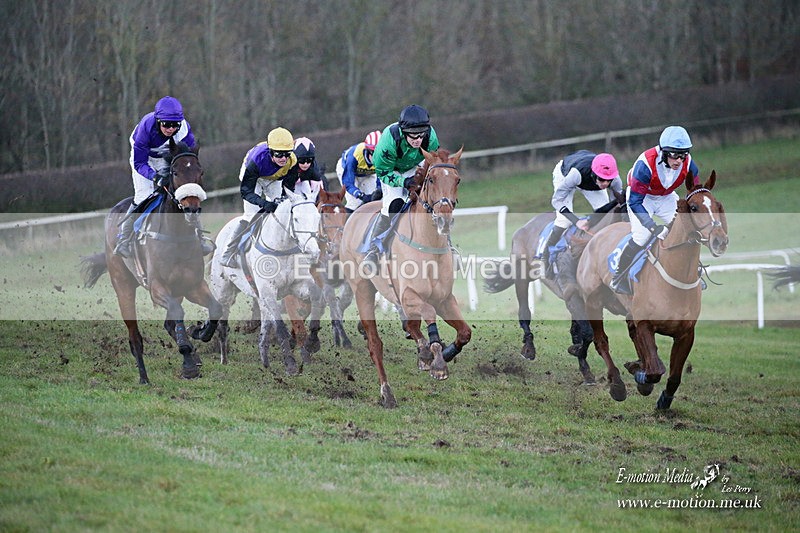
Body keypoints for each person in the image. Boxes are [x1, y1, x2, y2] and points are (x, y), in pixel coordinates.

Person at [610, 125, 700, 294]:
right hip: (642, 198)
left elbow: (695, 192)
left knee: (689, 228)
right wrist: (652, 226)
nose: (679, 160)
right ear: (663, 152)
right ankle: (618, 277)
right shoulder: (645, 164)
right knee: (641, 236)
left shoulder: (689, 164)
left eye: (683, 154)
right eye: (674, 154)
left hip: (666, 197)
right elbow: (635, 202)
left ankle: (694, 272)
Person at [114, 96, 197, 257]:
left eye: (175, 124)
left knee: (185, 193)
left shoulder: (184, 130)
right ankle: (124, 239)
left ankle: (198, 236)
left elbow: (189, 157)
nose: (171, 129)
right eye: (166, 124)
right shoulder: (146, 128)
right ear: (158, 121)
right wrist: (154, 176)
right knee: (144, 195)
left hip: (168, 157)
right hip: (145, 159)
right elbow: (139, 163)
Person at [363, 104, 440, 268]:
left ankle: (448, 244)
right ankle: (373, 250)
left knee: (435, 200)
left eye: (421, 134)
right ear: (404, 132)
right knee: (393, 204)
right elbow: (383, 172)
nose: (418, 139)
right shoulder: (388, 141)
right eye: (413, 135)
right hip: (392, 171)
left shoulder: (431, 137)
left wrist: (423, 177)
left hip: (416, 166)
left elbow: (434, 162)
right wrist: (403, 182)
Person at [219, 127, 297, 268]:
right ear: (270, 151)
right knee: (251, 215)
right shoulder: (256, 161)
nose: (284, 158)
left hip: (274, 179)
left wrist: (282, 199)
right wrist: (263, 203)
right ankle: (228, 252)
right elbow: (246, 192)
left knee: (282, 212)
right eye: (279, 154)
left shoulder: (292, 161)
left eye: (287, 154)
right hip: (253, 177)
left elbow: (289, 186)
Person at [539, 150, 624, 277]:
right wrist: (576, 221)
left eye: (609, 180)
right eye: (602, 179)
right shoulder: (575, 175)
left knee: (604, 218)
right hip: (566, 174)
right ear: (594, 174)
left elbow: (615, 207)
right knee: (564, 220)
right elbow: (556, 200)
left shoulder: (615, 180)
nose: (605, 184)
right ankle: (545, 257)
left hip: (588, 178)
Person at [337, 130, 383, 212]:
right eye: (374, 153)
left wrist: (379, 189)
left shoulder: (385, 158)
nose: (378, 158)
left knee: (375, 200)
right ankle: (346, 219)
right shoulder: (354, 156)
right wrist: (361, 195)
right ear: (368, 151)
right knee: (355, 203)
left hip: (368, 173)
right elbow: (348, 183)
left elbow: (382, 177)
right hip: (347, 170)